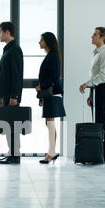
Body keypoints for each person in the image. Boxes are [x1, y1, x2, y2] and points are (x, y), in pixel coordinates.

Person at [79, 27, 105, 163]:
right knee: (98, 122)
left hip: (102, 90)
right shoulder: (96, 53)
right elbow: (95, 75)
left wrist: (87, 84)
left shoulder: (104, 53)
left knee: (103, 122)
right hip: (96, 90)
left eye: (95, 34)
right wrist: (90, 94)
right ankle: (98, 153)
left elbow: (103, 75)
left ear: (102, 37)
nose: (92, 36)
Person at [0, 21, 24, 164]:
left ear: (7, 32)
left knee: (12, 125)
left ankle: (15, 155)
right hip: (6, 95)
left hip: (11, 96)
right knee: (8, 125)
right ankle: (11, 152)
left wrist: (14, 96)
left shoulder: (15, 49)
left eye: (0, 32)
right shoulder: (7, 49)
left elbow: (17, 75)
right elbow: (3, 75)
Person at [37, 32, 65, 164]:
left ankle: (51, 153)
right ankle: (51, 152)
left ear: (47, 42)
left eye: (41, 40)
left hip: (53, 94)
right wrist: (42, 97)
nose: (39, 42)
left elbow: (53, 76)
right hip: (51, 94)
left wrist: (41, 87)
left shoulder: (52, 56)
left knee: (50, 123)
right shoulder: (51, 56)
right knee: (49, 123)